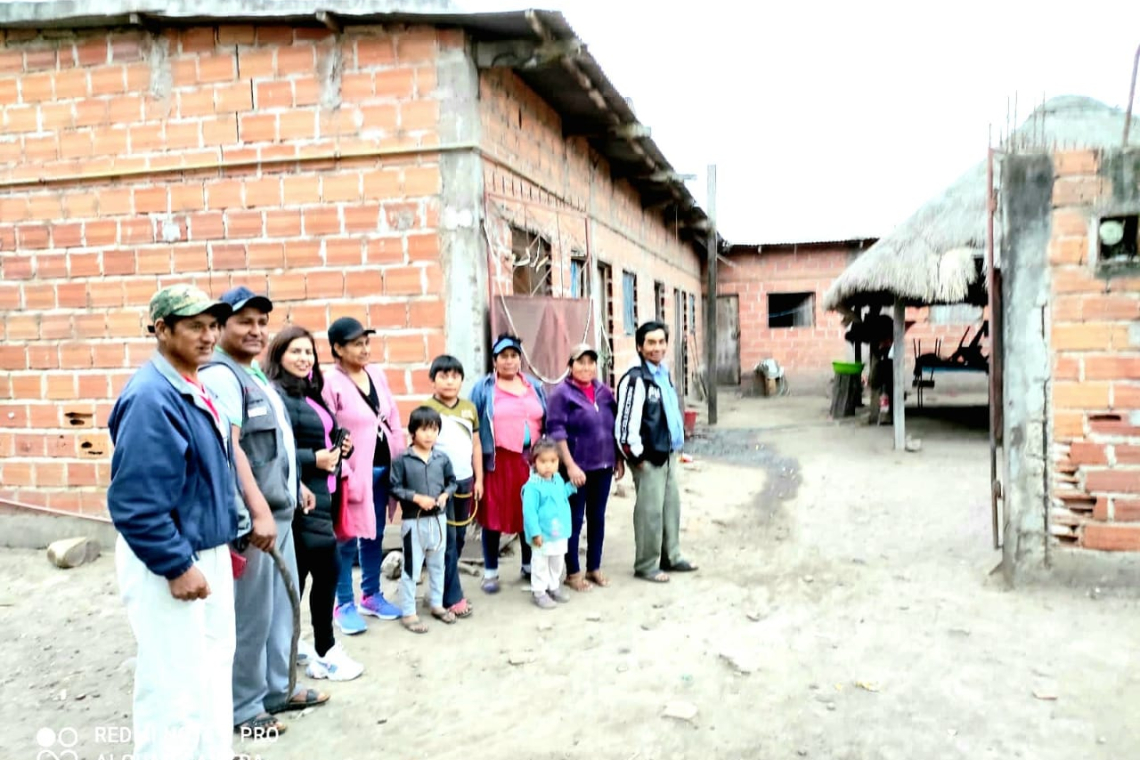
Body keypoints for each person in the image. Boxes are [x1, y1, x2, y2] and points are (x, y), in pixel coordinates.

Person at [107, 285, 237, 760]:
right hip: (171, 558)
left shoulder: (192, 386)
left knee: (210, 676)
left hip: (204, 549)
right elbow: (135, 503)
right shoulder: (151, 398)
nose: (209, 336)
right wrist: (176, 565)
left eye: (213, 325)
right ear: (161, 330)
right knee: (174, 690)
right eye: (195, 326)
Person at [200, 286, 328, 736]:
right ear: (221, 328)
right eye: (244, 322)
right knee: (252, 616)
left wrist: (295, 486)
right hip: (257, 522)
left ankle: (276, 689)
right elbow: (230, 449)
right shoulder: (222, 377)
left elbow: (272, 447)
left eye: (260, 322)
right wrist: (255, 514)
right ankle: (244, 708)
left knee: (280, 610)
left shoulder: (252, 374)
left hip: (280, 512)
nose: (255, 330)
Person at [264, 325, 364, 682]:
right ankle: (325, 653)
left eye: (308, 351)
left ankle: (288, 645)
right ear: (279, 355)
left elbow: (321, 433)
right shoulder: (275, 395)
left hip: (324, 495)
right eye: (295, 351)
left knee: (303, 575)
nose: (304, 358)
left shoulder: (308, 393)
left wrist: (340, 444)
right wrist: (313, 459)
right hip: (302, 499)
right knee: (327, 570)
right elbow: (270, 451)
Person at [321, 316, 406, 634]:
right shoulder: (330, 382)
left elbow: (392, 415)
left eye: (366, 343)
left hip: (383, 468)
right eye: (357, 344)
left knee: (374, 533)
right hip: (353, 473)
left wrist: (399, 453)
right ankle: (343, 602)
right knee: (345, 537)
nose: (365, 349)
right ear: (338, 348)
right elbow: (325, 429)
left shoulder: (376, 374)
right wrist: (343, 469)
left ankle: (371, 595)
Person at [615, 321, 699, 583]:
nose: (657, 347)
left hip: (668, 454)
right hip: (648, 458)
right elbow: (625, 424)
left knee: (670, 508)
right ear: (640, 346)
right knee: (650, 512)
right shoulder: (635, 379)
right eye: (651, 342)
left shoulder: (663, 373)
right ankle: (646, 564)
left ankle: (671, 556)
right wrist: (636, 457)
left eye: (661, 342)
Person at [470, 333, 548, 594]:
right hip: (498, 461)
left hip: (531, 461)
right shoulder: (484, 389)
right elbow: (472, 425)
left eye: (514, 355)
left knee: (528, 512)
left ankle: (528, 565)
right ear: (494, 360)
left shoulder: (533, 386)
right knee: (493, 514)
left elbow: (545, 418)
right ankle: (490, 572)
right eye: (503, 356)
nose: (509, 361)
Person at [545, 344, 624, 591]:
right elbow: (556, 432)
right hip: (576, 469)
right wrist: (570, 466)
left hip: (603, 466)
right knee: (574, 520)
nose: (586, 367)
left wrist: (618, 459)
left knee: (597, 518)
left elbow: (614, 426)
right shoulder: (561, 394)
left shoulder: (604, 392)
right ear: (570, 366)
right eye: (580, 362)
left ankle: (594, 568)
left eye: (591, 362)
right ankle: (573, 572)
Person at [422, 355, 482, 619]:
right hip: (440, 486)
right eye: (443, 376)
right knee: (445, 541)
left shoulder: (469, 409)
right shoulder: (427, 410)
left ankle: (439, 588)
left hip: (465, 480)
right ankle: (453, 597)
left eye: (455, 376)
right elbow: (421, 447)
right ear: (433, 380)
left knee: (458, 538)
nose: (449, 381)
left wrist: (479, 479)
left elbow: (476, 445)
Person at [389, 406, 458, 633]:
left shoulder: (442, 458)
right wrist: (417, 498)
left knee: (438, 564)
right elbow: (394, 487)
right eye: (424, 429)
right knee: (412, 567)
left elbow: (452, 482)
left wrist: (445, 495)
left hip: (438, 520)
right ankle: (408, 612)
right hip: (414, 522)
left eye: (434, 429)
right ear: (413, 432)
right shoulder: (402, 460)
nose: (429, 435)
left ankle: (436, 603)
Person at [522, 438, 576, 609]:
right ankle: (539, 591)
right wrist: (535, 533)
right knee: (540, 562)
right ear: (534, 462)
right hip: (542, 534)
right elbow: (529, 512)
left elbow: (561, 495)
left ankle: (553, 586)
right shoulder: (532, 487)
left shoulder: (557, 479)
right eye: (543, 461)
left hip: (559, 531)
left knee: (557, 560)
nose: (548, 466)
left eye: (553, 461)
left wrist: (571, 487)